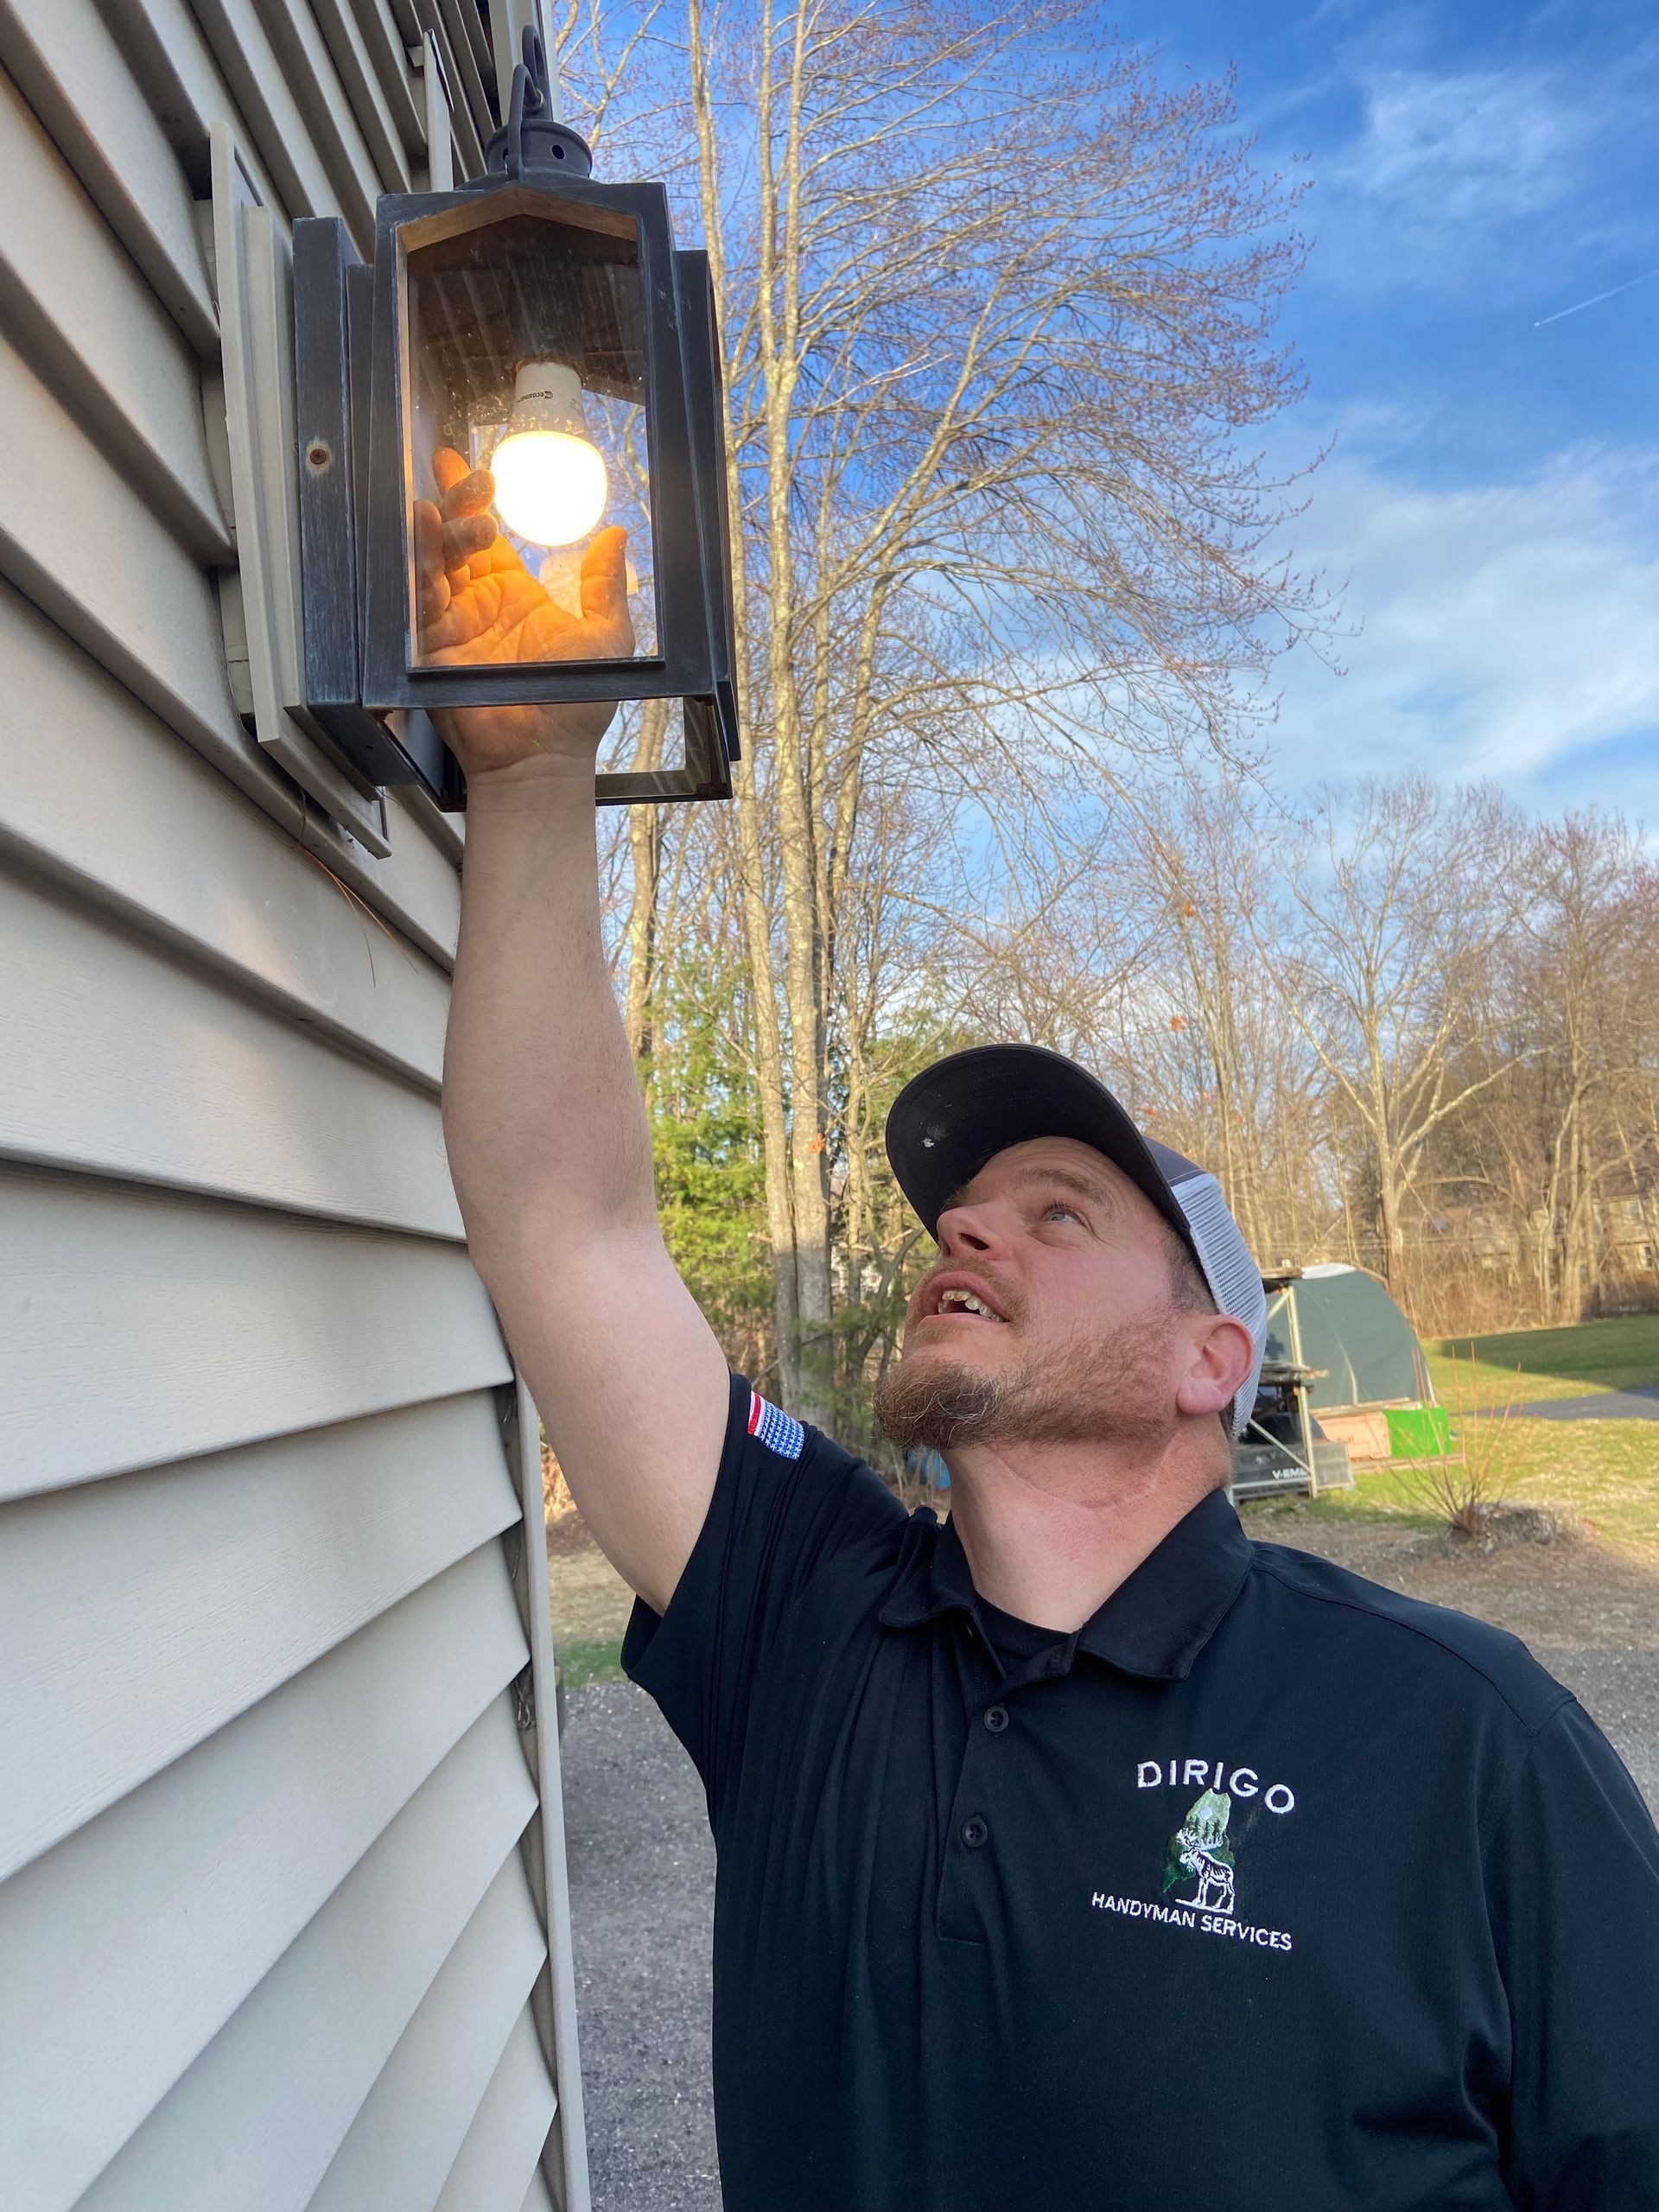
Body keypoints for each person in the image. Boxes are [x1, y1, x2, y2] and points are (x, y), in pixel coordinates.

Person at [433, 467, 1659, 2211]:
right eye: (963, 1208)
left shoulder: (1465, 1742)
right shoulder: (810, 1620)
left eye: (1060, 1206)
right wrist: (538, 774)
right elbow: (566, 1227)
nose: (970, 1224)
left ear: (1209, 1359)